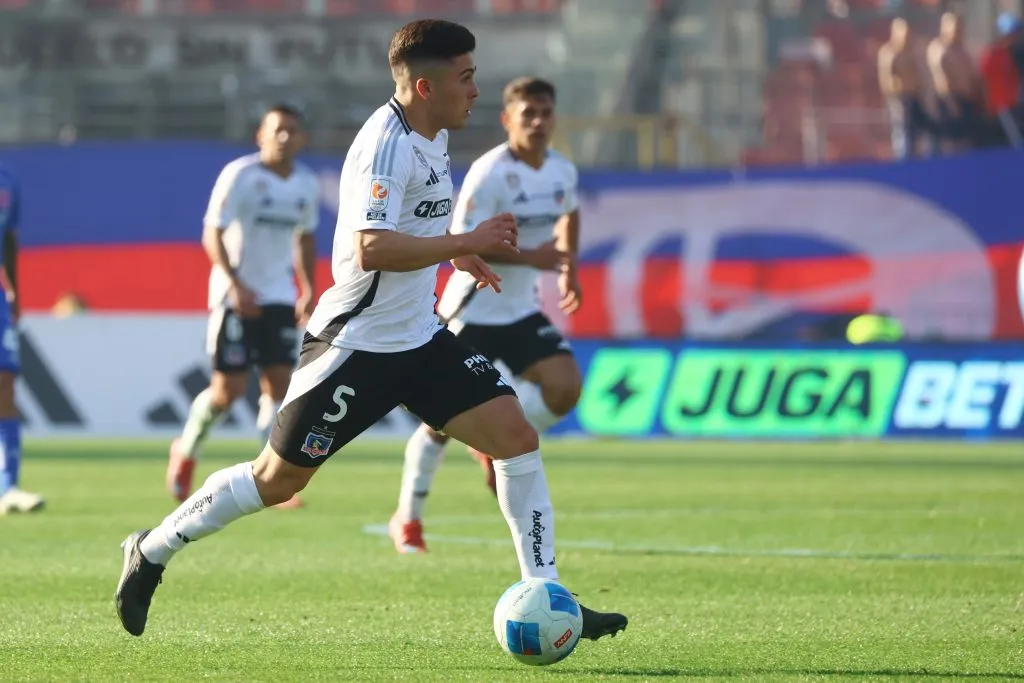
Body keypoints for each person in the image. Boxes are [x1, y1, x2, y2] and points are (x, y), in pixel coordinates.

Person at [115, 18, 628, 643]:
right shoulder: (385, 144)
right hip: (356, 346)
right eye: (465, 79)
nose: (475, 91)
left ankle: (551, 594)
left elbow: (414, 226)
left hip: (420, 335)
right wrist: (467, 240)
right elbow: (373, 247)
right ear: (423, 85)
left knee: (516, 437)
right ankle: (153, 549)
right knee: (276, 481)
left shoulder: (431, 133)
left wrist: (452, 254)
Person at [388, 76, 583, 554]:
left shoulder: (561, 170)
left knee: (565, 388)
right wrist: (534, 258)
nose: (538, 122)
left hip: (519, 310)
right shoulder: (490, 173)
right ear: (508, 119)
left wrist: (567, 270)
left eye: (545, 113)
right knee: (436, 423)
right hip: (474, 304)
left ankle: (488, 440)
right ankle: (408, 517)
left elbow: (570, 214)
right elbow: (463, 241)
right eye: (527, 114)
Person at [165, 104, 319, 510]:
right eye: (277, 130)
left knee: (279, 386)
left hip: (279, 298)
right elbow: (211, 233)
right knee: (227, 391)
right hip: (235, 297)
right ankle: (185, 450)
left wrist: (307, 286)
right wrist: (235, 285)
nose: (285, 137)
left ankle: (269, 476)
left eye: (292, 131)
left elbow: (304, 237)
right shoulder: (241, 176)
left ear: (302, 138)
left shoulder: (305, 183)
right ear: (261, 135)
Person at [0, 163, 42, 515]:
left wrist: (15, 290)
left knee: (5, 386)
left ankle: (7, 487)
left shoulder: (8, 180)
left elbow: (8, 237)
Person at [877, 17, 936, 159]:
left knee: (923, 134)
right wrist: (897, 99)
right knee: (903, 136)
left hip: (917, 98)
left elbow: (922, 76)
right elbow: (886, 81)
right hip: (900, 100)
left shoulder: (914, 52)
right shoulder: (888, 53)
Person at [927, 12, 984, 152]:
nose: (958, 30)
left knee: (968, 139)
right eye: (955, 26)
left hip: (966, 99)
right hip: (949, 101)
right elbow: (940, 76)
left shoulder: (962, 49)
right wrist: (951, 101)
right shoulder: (939, 48)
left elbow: (971, 74)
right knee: (952, 141)